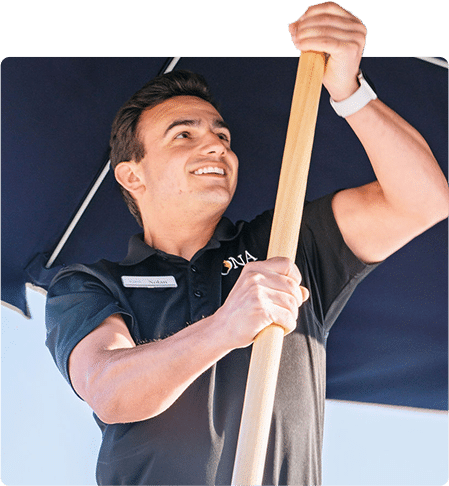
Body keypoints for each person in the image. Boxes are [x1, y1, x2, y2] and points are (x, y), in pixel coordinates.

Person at [45, 3, 449, 485]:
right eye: (183, 135)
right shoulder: (90, 284)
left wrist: (349, 91)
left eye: (221, 135)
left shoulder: (286, 243)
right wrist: (226, 326)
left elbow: (422, 201)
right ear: (132, 175)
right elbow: (111, 391)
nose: (215, 145)